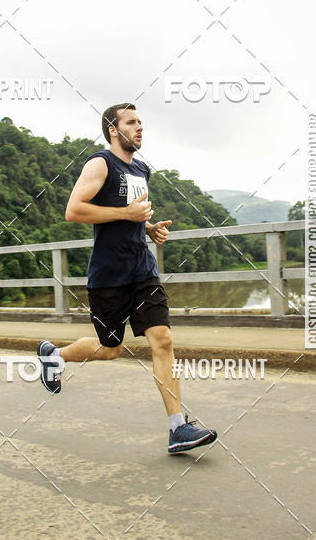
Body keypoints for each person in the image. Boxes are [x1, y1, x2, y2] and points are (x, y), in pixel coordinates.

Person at [38, 103, 217, 454]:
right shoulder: (100, 163)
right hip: (109, 276)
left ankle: (178, 429)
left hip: (142, 272)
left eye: (140, 122)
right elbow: (73, 210)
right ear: (113, 130)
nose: (139, 128)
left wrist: (148, 227)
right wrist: (126, 213)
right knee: (110, 349)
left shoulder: (142, 170)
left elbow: (130, 216)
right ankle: (55, 356)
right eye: (131, 122)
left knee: (162, 340)